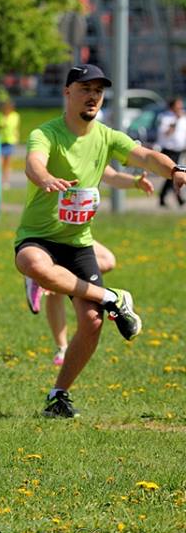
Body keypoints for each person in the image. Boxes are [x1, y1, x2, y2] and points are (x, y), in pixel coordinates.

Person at [14, 63, 186, 418]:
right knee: (32, 264)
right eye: (85, 89)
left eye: (98, 91)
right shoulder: (46, 133)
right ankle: (112, 297)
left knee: (92, 323)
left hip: (78, 242)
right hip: (38, 236)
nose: (93, 96)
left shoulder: (107, 136)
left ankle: (58, 396)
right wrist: (44, 178)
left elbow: (145, 156)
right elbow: (33, 162)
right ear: (67, 92)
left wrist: (174, 170)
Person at [25, 168, 154, 366]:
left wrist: (136, 181)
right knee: (57, 287)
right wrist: (46, 179)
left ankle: (43, 274)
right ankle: (62, 348)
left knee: (106, 261)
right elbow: (34, 166)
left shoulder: (92, 152)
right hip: (48, 230)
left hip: (74, 234)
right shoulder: (52, 150)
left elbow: (111, 175)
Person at [156, 97, 186, 207]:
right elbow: (166, 133)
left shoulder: (183, 118)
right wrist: (176, 120)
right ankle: (174, 198)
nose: (180, 107)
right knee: (173, 175)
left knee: (174, 175)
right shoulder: (165, 118)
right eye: (178, 105)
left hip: (179, 150)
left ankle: (169, 197)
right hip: (169, 150)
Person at [0, 100, 21, 189]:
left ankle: (5, 181)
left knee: (7, 163)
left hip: (10, 141)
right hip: (0, 141)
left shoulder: (15, 116)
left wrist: (16, 138)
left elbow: (16, 128)